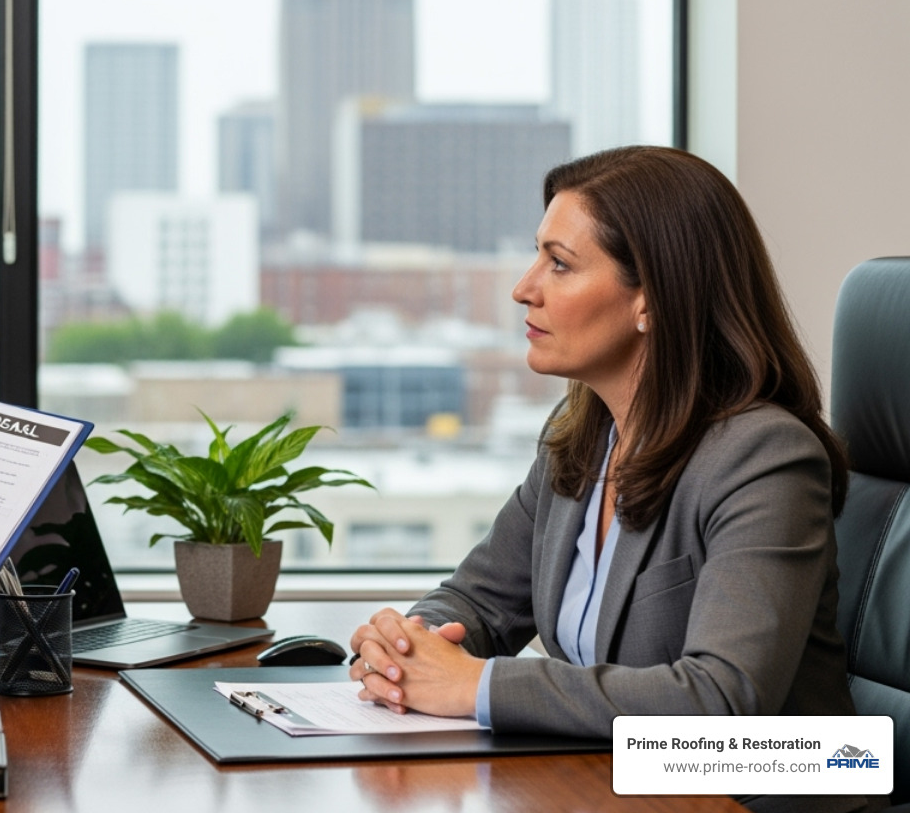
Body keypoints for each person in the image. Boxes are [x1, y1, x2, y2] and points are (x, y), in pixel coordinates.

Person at [349, 146, 874, 813]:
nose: (524, 287)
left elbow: (720, 702)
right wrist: (405, 650)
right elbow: (478, 603)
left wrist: (476, 687)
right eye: (537, 254)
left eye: (559, 264)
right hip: (609, 793)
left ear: (649, 301)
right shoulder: (583, 439)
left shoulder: (763, 458)